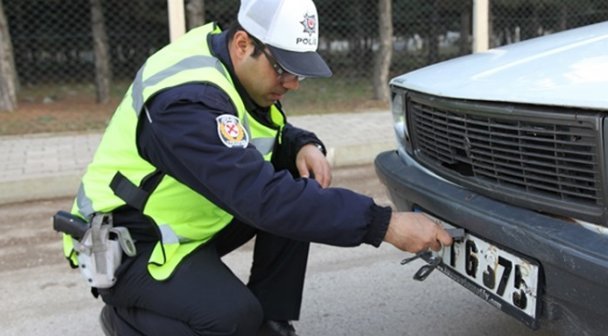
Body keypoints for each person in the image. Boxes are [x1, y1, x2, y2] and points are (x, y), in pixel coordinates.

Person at [59, 0, 453, 335]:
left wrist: (303, 144)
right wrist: (385, 225)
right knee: (233, 317)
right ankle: (127, 319)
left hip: (185, 220)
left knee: (301, 183)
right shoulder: (186, 103)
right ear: (244, 43)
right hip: (130, 241)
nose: (293, 83)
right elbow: (262, 198)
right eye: (284, 68)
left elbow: (263, 130)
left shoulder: (228, 58)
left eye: (299, 72)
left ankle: (271, 322)